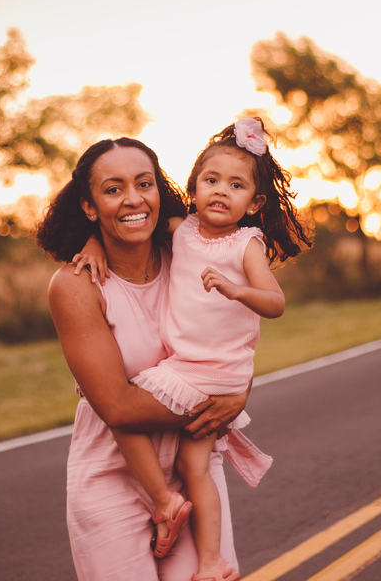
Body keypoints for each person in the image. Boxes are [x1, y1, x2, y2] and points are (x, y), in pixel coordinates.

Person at [74, 118, 311, 581]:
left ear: (255, 201)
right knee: (191, 463)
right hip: (198, 372)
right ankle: (208, 559)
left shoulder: (246, 245)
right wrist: (90, 243)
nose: (221, 192)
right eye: (211, 180)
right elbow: (125, 220)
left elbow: (275, 302)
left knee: (123, 402)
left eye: (236, 185)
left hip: (209, 372)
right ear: (193, 188)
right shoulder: (181, 232)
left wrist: (236, 291)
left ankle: (166, 506)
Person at [35, 137, 251, 581]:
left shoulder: (188, 258)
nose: (133, 199)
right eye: (113, 190)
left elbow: (230, 343)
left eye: (144, 184)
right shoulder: (76, 286)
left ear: (160, 193)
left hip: (193, 469)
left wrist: (240, 389)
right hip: (112, 478)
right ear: (90, 206)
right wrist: (224, 402)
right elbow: (117, 406)